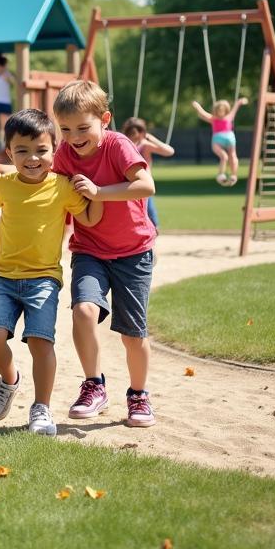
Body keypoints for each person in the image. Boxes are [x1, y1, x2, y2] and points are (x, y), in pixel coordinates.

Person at [0, 109, 103, 435]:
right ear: (9, 153)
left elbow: (89, 220)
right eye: (22, 151)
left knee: (41, 343)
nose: (32, 158)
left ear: (53, 150)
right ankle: (9, 379)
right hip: (2, 276)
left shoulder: (63, 187)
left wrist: (95, 193)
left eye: (41, 150)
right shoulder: (5, 184)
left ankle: (41, 408)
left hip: (43, 278)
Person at [51, 80, 157, 428]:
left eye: (83, 128)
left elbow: (145, 185)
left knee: (132, 334)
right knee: (83, 311)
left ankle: (138, 395)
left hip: (133, 252)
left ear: (105, 119)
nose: (74, 137)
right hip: (89, 249)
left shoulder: (118, 145)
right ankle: (94, 385)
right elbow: (54, 194)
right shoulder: (64, 154)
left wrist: (98, 192)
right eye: (65, 129)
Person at [121, 117, 174, 230]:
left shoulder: (145, 145)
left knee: (148, 207)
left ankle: (155, 227)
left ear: (142, 132)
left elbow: (169, 151)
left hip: (144, 183)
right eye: (130, 133)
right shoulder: (125, 145)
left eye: (136, 133)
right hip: (129, 183)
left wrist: (152, 139)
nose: (133, 136)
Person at [191, 97, 248, 186]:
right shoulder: (215, 118)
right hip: (222, 139)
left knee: (231, 156)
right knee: (225, 157)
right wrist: (197, 106)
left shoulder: (226, 117)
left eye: (222, 110)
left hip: (226, 138)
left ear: (226, 110)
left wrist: (241, 101)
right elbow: (203, 113)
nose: (220, 113)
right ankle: (224, 175)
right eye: (219, 110)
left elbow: (236, 106)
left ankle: (232, 175)